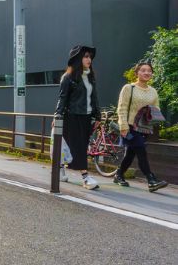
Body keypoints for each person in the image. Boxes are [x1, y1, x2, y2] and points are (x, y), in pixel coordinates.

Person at [114, 61, 168, 192]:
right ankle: (151, 180)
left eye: (149, 71)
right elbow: (122, 107)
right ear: (137, 73)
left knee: (131, 154)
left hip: (144, 127)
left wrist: (150, 112)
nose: (147, 73)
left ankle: (119, 175)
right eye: (143, 70)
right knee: (141, 150)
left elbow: (156, 109)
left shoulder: (153, 91)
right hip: (130, 126)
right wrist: (123, 126)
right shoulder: (129, 88)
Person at [54, 45, 101, 190]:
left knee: (77, 147)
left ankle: (60, 166)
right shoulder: (68, 77)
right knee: (78, 148)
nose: (89, 59)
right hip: (72, 116)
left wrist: (97, 115)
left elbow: (94, 97)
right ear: (78, 59)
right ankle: (86, 177)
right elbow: (62, 98)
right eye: (85, 56)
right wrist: (58, 116)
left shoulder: (90, 77)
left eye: (90, 57)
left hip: (86, 117)